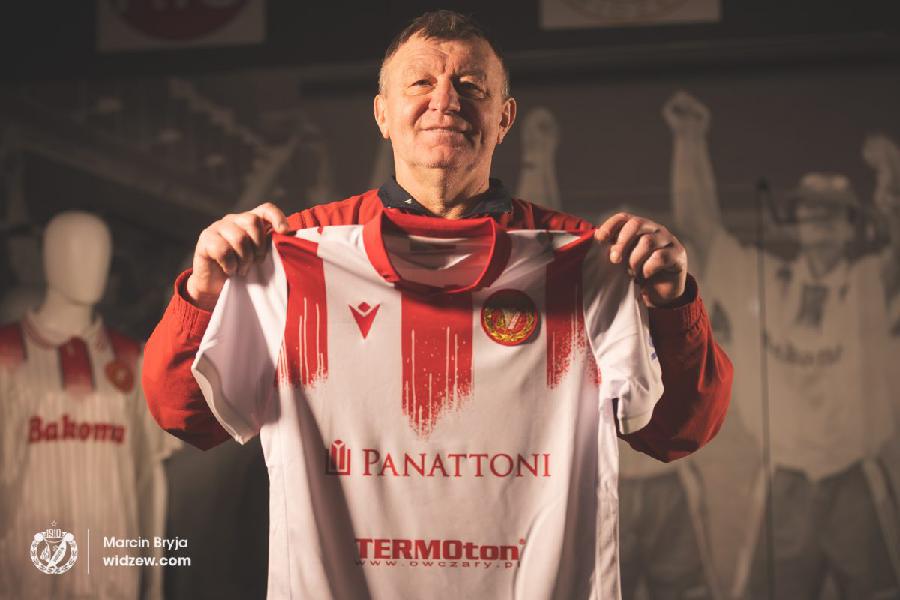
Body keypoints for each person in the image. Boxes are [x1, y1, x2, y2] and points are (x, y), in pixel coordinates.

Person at [143, 10, 733, 597]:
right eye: (421, 83)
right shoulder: (298, 257)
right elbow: (185, 417)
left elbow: (679, 431)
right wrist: (205, 295)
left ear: (505, 118)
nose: (445, 100)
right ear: (382, 113)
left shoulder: (583, 263)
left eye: (471, 86)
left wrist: (672, 303)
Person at [665, 90, 900, 599]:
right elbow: (700, 228)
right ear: (795, 221)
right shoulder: (764, 279)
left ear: (852, 226)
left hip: (855, 479)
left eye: (834, 211)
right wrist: (690, 139)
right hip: (785, 479)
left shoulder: (867, 281)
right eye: (811, 208)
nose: (820, 216)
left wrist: (893, 178)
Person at [0, 211, 178, 600]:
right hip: (23, 570)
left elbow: (149, 477)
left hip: (111, 571)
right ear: (48, 259)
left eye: (100, 253)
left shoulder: (134, 358)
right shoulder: (6, 354)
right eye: (74, 251)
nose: (90, 265)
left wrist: (154, 581)